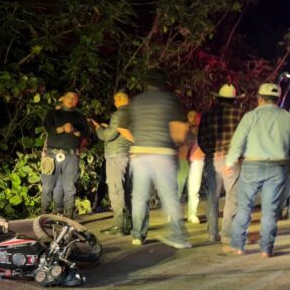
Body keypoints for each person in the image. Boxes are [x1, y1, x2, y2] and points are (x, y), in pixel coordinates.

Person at [225, 83, 290, 257]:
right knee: (270, 210)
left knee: (244, 207)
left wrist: (230, 162)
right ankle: (266, 249)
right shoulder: (289, 118)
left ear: (259, 98)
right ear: (278, 99)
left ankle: (238, 245)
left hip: (252, 166)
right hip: (278, 168)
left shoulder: (250, 116)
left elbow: (238, 140)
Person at [118, 70, 191, 249]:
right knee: (169, 197)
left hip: (139, 154)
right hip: (162, 153)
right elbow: (180, 131)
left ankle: (138, 235)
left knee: (139, 197)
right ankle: (178, 236)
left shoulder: (136, 101)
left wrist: (136, 140)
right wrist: (178, 143)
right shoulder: (170, 100)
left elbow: (121, 126)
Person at [198, 83, 245, 242]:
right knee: (232, 196)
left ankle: (212, 232)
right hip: (233, 160)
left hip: (213, 159)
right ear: (234, 100)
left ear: (218, 99)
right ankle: (227, 232)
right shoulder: (240, 114)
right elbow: (244, 138)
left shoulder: (207, 115)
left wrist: (211, 153)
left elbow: (201, 140)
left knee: (213, 196)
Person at [41, 91, 90, 218]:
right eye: (69, 97)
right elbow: (49, 129)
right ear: (63, 99)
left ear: (77, 101)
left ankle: (68, 215)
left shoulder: (80, 116)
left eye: (74, 98)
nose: (71, 99)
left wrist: (74, 130)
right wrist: (63, 128)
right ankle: (44, 215)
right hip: (52, 154)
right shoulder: (53, 114)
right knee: (47, 186)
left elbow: (86, 134)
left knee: (70, 187)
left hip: (71, 155)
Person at [91, 91, 132, 235]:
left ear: (119, 99)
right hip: (128, 154)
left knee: (116, 190)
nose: (114, 103)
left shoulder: (119, 114)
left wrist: (98, 128)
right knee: (126, 190)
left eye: (115, 100)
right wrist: (108, 126)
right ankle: (128, 224)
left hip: (116, 155)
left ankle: (119, 226)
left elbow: (108, 135)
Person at [183, 110, 206, 224]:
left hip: (196, 159)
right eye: (191, 116)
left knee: (194, 188)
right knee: (179, 188)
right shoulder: (186, 129)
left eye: (195, 117)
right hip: (184, 160)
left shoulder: (200, 129)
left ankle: (192, 213)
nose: (193, 119)